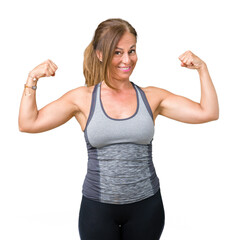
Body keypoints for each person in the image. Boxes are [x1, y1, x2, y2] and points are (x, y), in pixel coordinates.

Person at [18, 18, 219, 240]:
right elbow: (28, 123)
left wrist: (202, 68)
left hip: (147, 208)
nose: (127, 59)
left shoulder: (151, 97)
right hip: (97, 210)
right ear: (100, 54)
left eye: (131, 51)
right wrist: (32, 78)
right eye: (117, 52)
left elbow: (207, 112)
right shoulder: (82, 99)